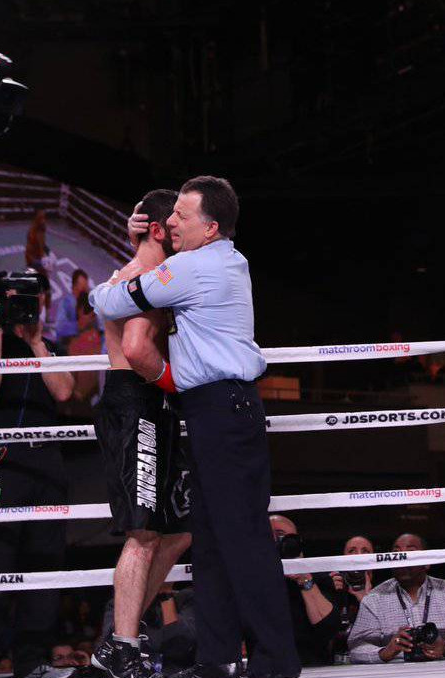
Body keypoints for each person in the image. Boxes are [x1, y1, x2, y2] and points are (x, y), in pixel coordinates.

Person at [90, 176, 300, 678]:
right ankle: (217, 657)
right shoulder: (220, 258)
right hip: (212, 411)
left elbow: (109, 302)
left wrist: (141, 247)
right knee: (209, 539)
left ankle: (276, 661)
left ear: (209, 228)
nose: (172, 224)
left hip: (222, 410)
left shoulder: (196, 265)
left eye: (181, 217)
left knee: (244, 538)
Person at [91, 190, 193, 678]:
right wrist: (175, 385)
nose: (179, 232)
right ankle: (125, 646)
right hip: (137, 402)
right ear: (156, 229)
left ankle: (117, 637)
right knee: (145, 532)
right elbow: (136, 350)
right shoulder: (140, 279)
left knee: (178, 531)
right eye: (172, 225)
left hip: (149, 405)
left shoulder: (140, 275)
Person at [0, 284, 74, 678]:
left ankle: (32, 658)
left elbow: (64, 390)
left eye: (33, 300)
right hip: (1, 465)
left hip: (46, 464)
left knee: (44, 562)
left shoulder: (53, 348)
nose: (26, 309)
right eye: (17, 301)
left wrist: (39, 343)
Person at [346, 533, 445, 664]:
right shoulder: (374, 598)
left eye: (410, 553)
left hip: (444, 670)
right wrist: (384, 652)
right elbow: (356, 648)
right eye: (396, 553)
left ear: (427, 563)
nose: (402, 558)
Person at [269, 515, 342, 666]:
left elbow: (328, 629)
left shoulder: (320, 579)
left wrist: (303, 578)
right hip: (264, 668)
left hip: (311, 666)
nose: (277, 542)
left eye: (282, 536)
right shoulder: (247, 580)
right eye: (269, 535)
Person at [54, 269, 94, 345]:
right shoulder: (66, 303)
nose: (86, 289)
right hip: (66, 347)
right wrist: (78, 326)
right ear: (74, 286)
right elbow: (59, 328)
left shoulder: (89, 304)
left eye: (86, 286)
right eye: (83, 287)